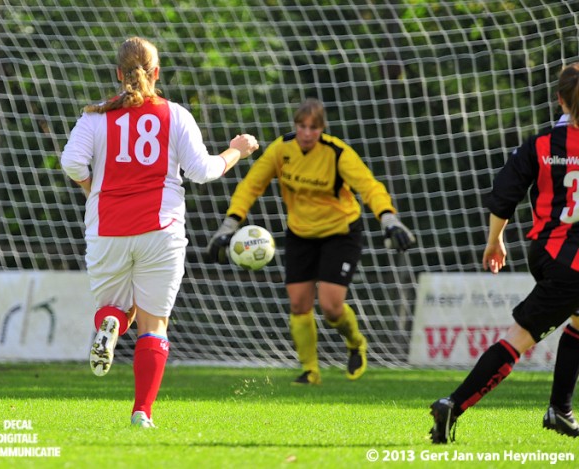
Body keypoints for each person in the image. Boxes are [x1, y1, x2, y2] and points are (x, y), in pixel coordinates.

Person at [60, 36, 259, 428]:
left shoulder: (95, 116)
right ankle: (142, 413)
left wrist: (92, 187)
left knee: (115, 311)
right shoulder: (174, 114)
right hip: (161, 230)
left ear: (118, 74)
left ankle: (109, 324)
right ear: (156, 72)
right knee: (154, 325)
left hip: (108, 228)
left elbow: (71, 162)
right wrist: (236, 149)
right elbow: (202, 171)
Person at [207, 98, 415, 385]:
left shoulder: (336, 152)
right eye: (302, 126)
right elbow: (251, 185)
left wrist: (389, 219)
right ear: (295, 126)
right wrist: (230, 224)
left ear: (322, 129)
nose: (307, 133)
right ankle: (310, 371)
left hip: (340, 233)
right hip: (300, 234)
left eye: (313, 128)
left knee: (331, 306)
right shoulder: (281, 150)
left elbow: (369, 186)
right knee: (299, 304)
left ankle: (356, 343)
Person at [429, 62, 579, 444]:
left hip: (543, 251)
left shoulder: (540, 145)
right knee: (519, 338)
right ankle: (454, 404)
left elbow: (504, 196)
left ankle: (559, 410)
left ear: (560, 99)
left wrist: (494, 241)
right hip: (573, 265)